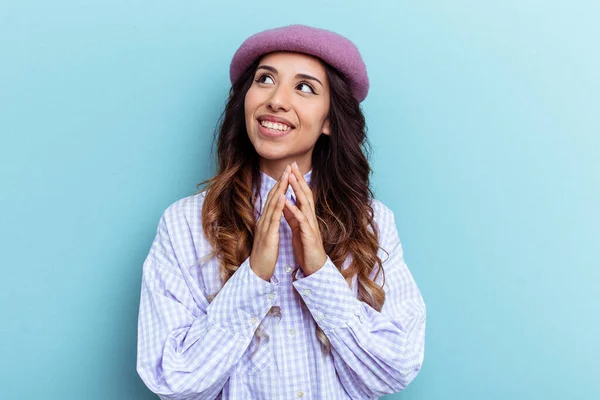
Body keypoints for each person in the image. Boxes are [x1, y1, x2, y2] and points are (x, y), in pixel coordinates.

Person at [136, 24, 426, 400]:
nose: (276, 99)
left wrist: (321, 273)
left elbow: (394, 370)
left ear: (328, 121)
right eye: (265, 79)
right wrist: (253, 276)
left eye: (304, 87)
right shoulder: (185, 224)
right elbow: (172, 380)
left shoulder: (371, 221)